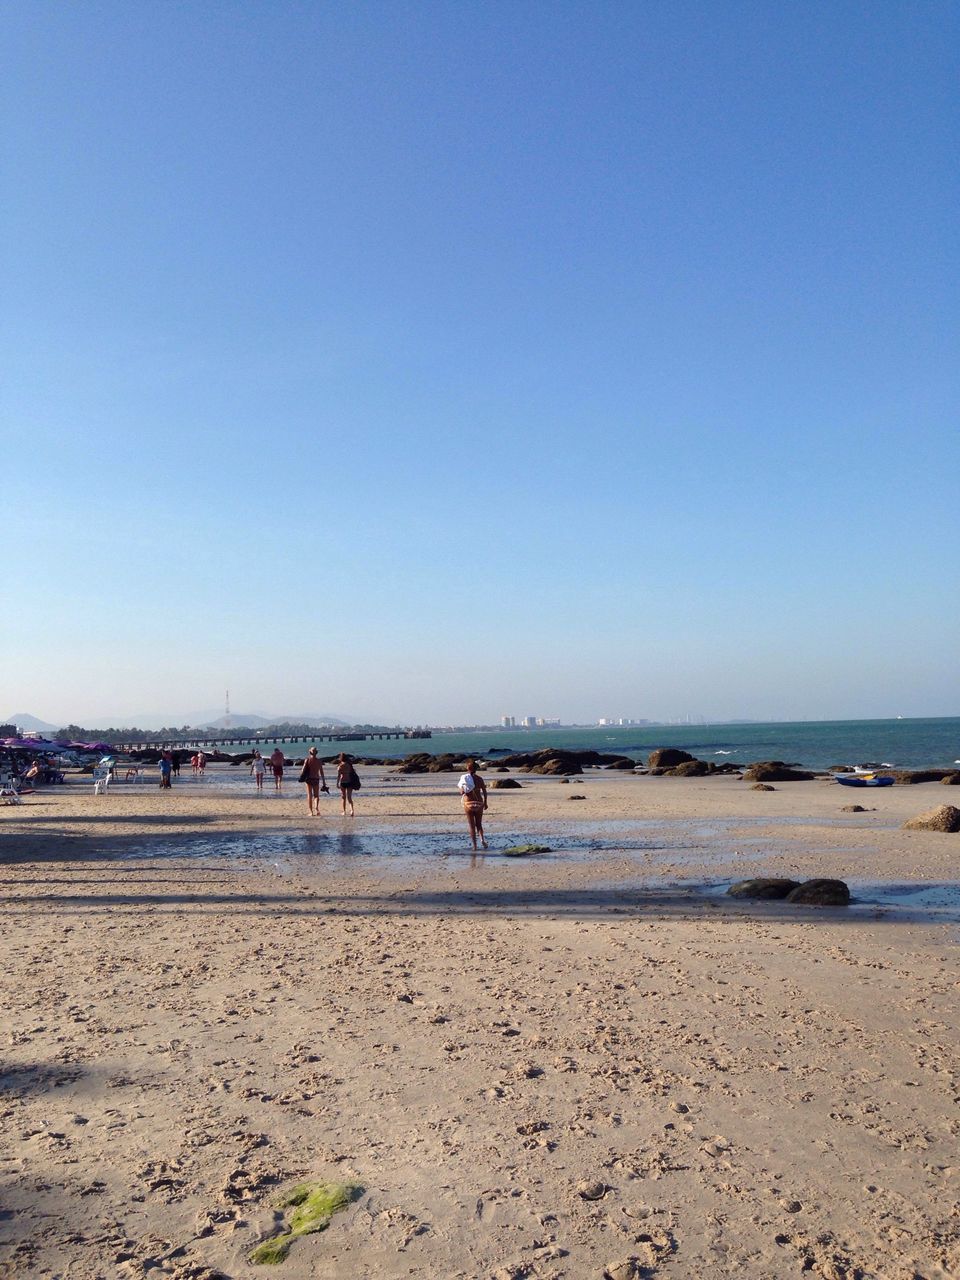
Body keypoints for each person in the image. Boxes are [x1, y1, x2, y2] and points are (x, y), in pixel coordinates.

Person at [458, 758, 488, 850]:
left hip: (469, 804)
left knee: (471, 826)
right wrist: (485, 803)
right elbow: (484, 791)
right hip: (479, 803)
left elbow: (462, 792)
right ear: (476, 769)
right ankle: (482, 839)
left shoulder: (465, 779)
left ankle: (475, 846)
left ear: (468, 769)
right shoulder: (480, 779)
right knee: (479, 824)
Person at [301, 746, 327, 816]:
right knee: (316, 795)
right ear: (316, 753)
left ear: (310, 752)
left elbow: (303, 770)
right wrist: (324, 782)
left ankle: (311, 811)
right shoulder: (319, 761)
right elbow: (321, 772)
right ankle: (316, 808)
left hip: (309, 779)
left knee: (309, 795)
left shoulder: (307, 760)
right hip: (316, 779)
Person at [336, 752, 360, 817]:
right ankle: (352, 810)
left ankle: (344, 811)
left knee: (343, 797)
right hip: (349, 782)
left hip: (342, 782)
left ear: (340, 758)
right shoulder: (349, 765)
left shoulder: (340, 766)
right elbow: (352, 773)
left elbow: (338, 776)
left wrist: (337, 783)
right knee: (349, 797)